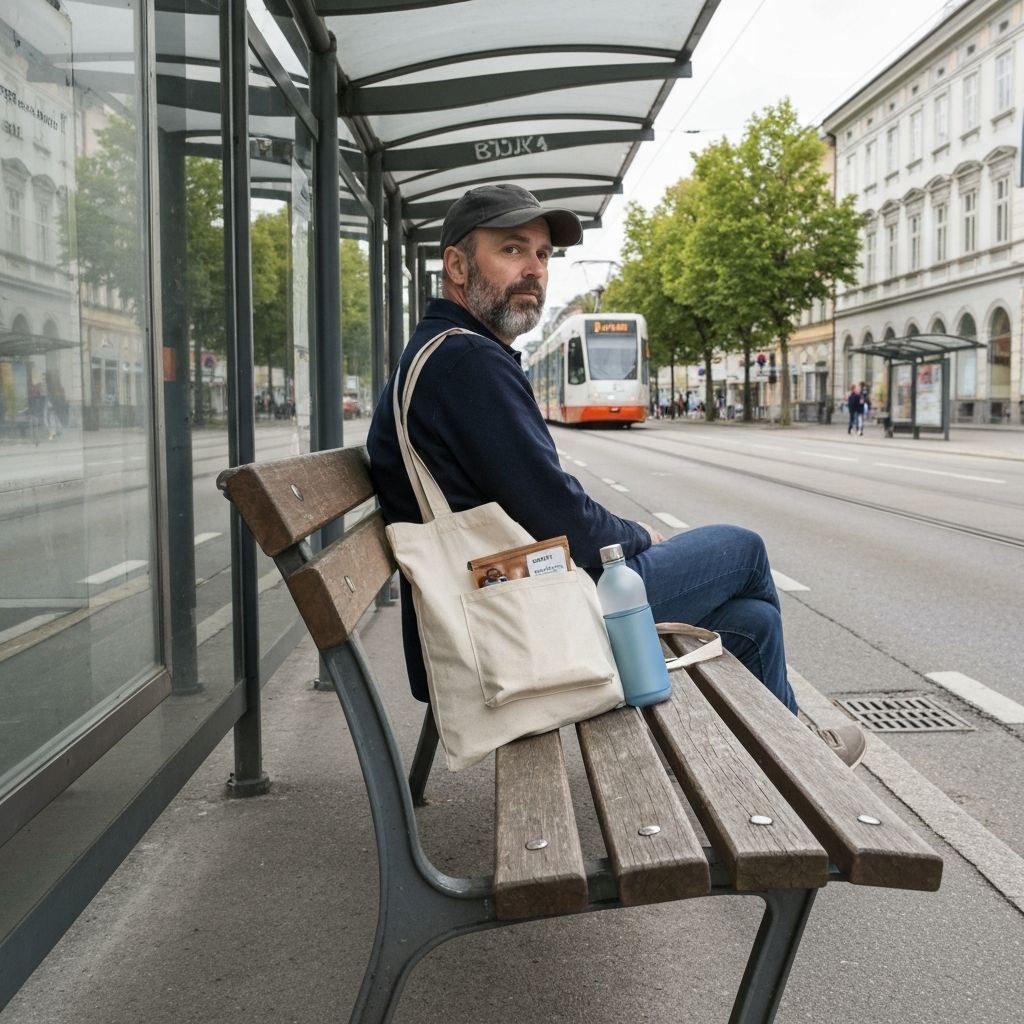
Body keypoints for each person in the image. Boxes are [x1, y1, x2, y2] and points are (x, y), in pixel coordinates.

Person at [366, 183, 864, 767]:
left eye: (543, 255)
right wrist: (637, 537)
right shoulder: (467, 363)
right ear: (456, 266)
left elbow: (536, 503)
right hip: (514, 622)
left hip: (505, 598)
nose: (534, 270)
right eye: (512, 249)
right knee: (743, 550)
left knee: (750, 622)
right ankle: (799, 755)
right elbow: (562, 518)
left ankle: (788, 754)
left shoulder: (446, 353)